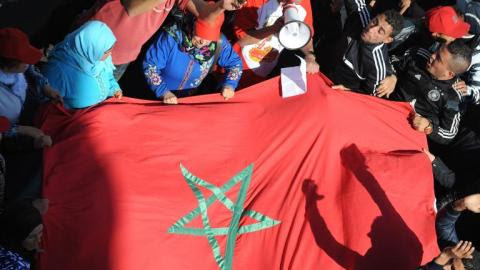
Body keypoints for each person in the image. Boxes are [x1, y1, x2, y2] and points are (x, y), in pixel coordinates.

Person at [79, 0, 245, 80]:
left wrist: (221, 5)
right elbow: (132, 7)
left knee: (85, 115)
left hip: (122, 59)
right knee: (59, 104)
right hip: (89, 48)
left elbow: (204, 15)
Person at [143, 11, 242, 104]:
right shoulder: (171, 37)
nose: (202, 42)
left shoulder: (218, 42)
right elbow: (151, 66)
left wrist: (229, 85)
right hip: (157, 96)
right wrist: (163, 92)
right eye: (199, 35)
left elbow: (235, 64)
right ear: (191, 27)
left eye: (209, 38)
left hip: (191, 98)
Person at [390, 40, 473, 145]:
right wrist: (392, 75)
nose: (432, 56)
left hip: (407, 133)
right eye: (437, 52)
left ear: (450, 74)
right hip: (385, 107)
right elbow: (392, 60)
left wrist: (429, 127)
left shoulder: (454, 96)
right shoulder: (418, 54)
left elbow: (450, 133)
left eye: (438, 58)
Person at [231, 0, 320, 88]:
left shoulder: (304, 2)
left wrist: (310, 56)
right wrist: (273, 29)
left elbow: (305, 35)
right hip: (236, 66)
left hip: (263, 72)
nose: (297, 3)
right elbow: (241, 41)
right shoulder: (254, 2)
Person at [42, 21, 122, 110]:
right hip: (73, 121)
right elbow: (46, 108)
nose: (110, 54)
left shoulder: (98, 59)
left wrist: (115, 89)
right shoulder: (58, 71)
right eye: (107, 51)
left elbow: (108, 76)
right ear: (91, 48)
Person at [331, 2, 404, 98]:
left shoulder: (377, 67)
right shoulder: (361, 17)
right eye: (374, 21)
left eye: (380, 31)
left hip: (335, 91)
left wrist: (349, 92)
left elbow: (370, 98)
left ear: (387, 40)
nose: (371, 29)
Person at [0, 27, 58, 145]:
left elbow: (31, 69)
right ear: (9, 65)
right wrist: (22, 130)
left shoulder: (18, 67)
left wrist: (45, 86)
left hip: (23, 111)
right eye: (24, 61)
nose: (29, 63)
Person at [0, 199, 47, 270]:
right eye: (31, 237)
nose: (38, 240)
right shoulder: (17, 265)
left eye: (40, 232)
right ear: (17, 235)